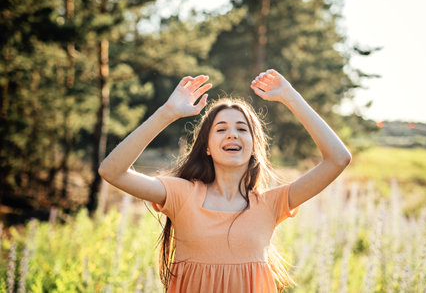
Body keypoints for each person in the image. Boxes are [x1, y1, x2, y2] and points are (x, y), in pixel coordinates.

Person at [98, 69, 352, 292]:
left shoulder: (271, 204)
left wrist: (291, 97)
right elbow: (112, 171)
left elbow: (338, 159)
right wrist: (167, 113)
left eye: (242, 129)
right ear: (207, 147)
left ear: (254, 146)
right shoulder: (181, 194)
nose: (232, 134)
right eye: (221, 129)